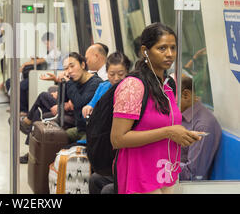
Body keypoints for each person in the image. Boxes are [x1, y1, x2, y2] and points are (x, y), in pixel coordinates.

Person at [110, 22, 202, 194]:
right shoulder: (133, 86)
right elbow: (118, 139)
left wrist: (182, 134)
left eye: (173, 48)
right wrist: (168, 132)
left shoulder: (169, 86)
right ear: (145, 50)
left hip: (165, 172)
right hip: (140, 175)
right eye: (162, 48)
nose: (169, 54)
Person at [84, 51, 131, 194]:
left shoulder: (131, 92)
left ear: (128, 72)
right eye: (112, 74)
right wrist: (88, 108)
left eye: (121, 74)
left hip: (119, 146)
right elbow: (90, 106)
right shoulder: (103, 87)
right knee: (94, 179)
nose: (116, 79)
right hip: (103, 139)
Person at [179, 75, 222, 181]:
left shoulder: (203, 125)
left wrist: (160, 164)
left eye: (170, 97)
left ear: (186, 95)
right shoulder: (182, 116)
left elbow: (193, 174)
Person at [61, 52, 103, 143]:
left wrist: (69, 83)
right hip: (80, 128)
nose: (69, 71)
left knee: (72, 150)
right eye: (66, 68)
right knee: (55, 139)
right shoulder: (75, 82)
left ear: (83, 65)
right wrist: (62, 82)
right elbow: (62, 100)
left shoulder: (95, 83)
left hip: (92, 131)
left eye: (72, 66)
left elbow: (80, 103)